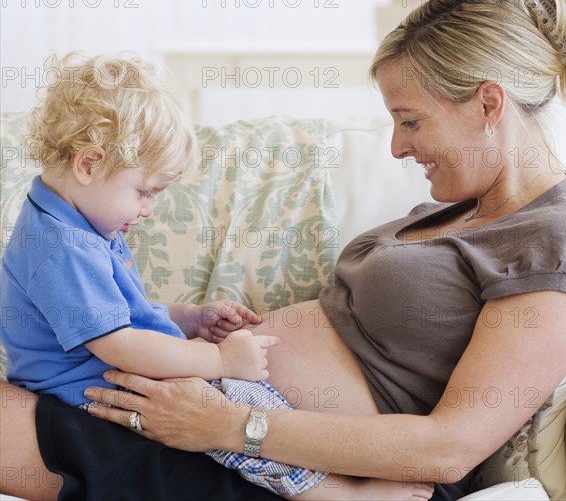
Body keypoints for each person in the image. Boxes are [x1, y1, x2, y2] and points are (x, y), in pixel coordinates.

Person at [1, 0, 566, 499]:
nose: (396, 146)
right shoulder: (463, 206)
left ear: (489, 104)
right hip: (213, 424)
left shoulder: (556, 243)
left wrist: (231, 425)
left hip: (276, 465)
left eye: (411, 120)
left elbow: (449, 448)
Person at [0, 52, 433, 500]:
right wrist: (219, 362)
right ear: (89, 164)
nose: (148, 210)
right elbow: (119, 344)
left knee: (256, 410)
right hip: (100, 395)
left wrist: (190, 318)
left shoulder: (79, 221)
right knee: (242, 418)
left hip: (119, 374)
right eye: (144, 192)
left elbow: (119, 314)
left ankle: (344, 479)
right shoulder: (60, 247)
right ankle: (338, 495)